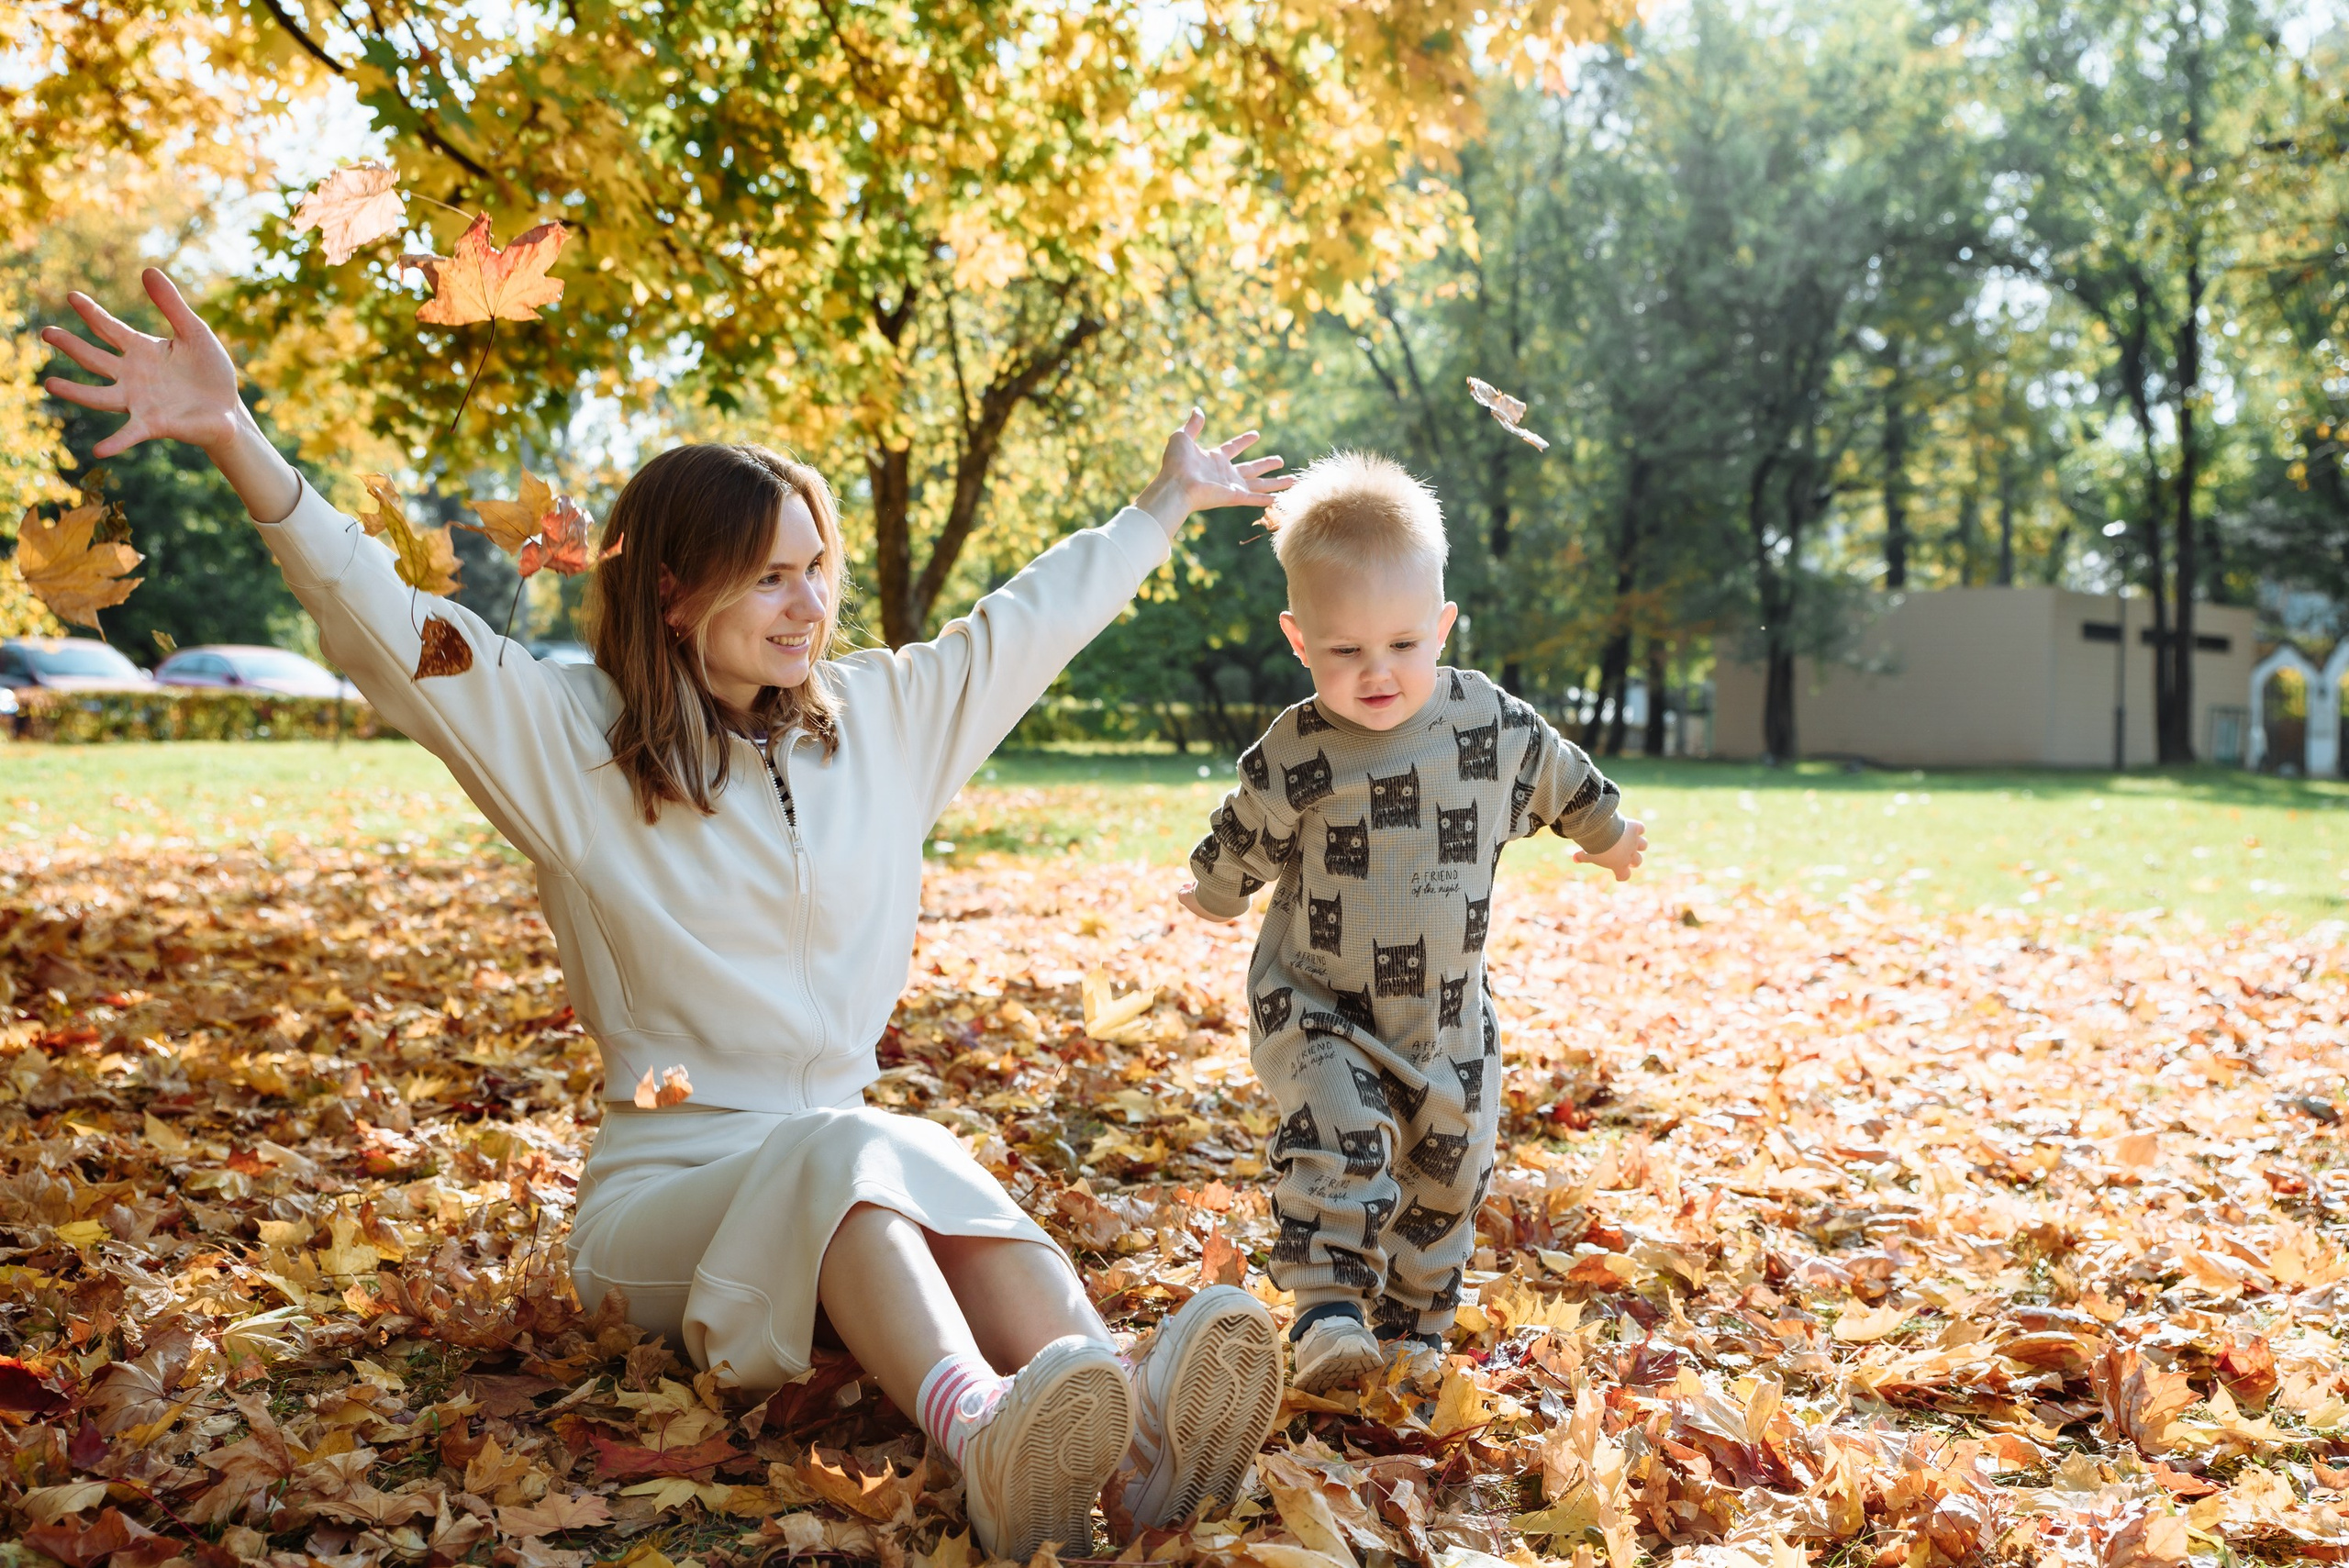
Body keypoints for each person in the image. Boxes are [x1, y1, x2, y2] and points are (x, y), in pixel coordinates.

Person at [44, 270, 1294, 1558]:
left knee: (902, 1153)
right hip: (666, 1193)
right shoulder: (572, 742)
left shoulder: (879, 726)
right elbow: (384, 625)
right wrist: (238, 440)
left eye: (817, 572)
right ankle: (982, 1432)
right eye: (769, 580)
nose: (809, 606)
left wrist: (1164, 505)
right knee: (845, 1154)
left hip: (842, 1163)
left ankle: (1136, 1433)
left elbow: (1027, 624)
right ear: (675, 594)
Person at [1174, 451, 1647, 1392]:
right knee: (1335, 1133)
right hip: (1315, 1000)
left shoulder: (1485, 722)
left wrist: (1608, 830)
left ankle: (1415, 1322)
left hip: (1445, 1014)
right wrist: (1216, 893)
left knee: (1450, 1167)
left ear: (1441, 625)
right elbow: (1245, 830)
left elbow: (1557, 771)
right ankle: (1330, 1309)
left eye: (1401, 644)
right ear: (1299, 639)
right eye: (1344, 651)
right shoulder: (1298, 748)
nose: (1377, 672)